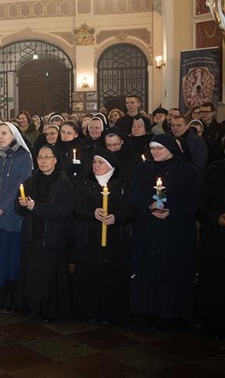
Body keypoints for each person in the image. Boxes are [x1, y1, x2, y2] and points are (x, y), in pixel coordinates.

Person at [127, 133, 200, 332]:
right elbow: (135, 194)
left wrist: (172, 211)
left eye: (159, 148)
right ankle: (146, 311)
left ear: (171, 149)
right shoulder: (143, 169)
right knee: (147, 272)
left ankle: (170, 314)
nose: (155, 152)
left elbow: (194, 201)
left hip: (175, 231)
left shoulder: (188, 171)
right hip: (148, 229)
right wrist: (148, 205)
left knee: (171, 273)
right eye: (152, 149)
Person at [72, 148, 134, 325]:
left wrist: (116, 217)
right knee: (91, 275)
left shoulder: (122, 185)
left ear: (111, 165)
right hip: (89, 238)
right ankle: (89, 310)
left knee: (111, 277)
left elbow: (131, 211)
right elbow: (76, 208)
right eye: (94, 162)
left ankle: (110, 312)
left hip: (115, 239)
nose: (96, 166)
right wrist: (92, 213)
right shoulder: (85, 184)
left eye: (100, 163)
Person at [16, 145, 74, 321]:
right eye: (40, 157)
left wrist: (37, 207)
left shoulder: (64, 183)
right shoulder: (31, 180)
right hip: (33, 236)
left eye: (47, 157)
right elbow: (18, 209)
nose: (42, 161)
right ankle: (33, 309)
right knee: (33, 275)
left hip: (52, 237)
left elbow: (65, 210)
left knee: (49, 277)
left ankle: (51, 311)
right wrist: (22, 204)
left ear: (55, 160)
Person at [0, 122, 33, 313]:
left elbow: (21, 186)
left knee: (10, 259)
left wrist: (1, 208)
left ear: (13, 135)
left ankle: (10, 297)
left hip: (10, 217)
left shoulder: (23, 157)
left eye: (5, 133)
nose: (1, 137)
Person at [199, 151, 225, 337]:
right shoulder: (214, 172)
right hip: (217, 236)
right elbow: (201, 204)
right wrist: (216, 218)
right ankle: (213, 322)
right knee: (215, 280)